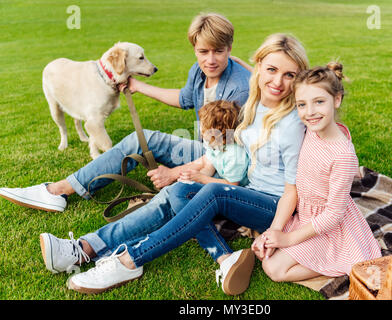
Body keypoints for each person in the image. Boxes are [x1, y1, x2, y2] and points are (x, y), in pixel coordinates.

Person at [62, 33, 309, 296]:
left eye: (290, 75)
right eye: (271, 69)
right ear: (259, 67)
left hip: (271, 204)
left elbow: (292, 191)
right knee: (181, 189)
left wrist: (277, 232)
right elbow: (257, 74)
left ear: (298, 79)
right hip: (246, 191)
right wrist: (240, 61)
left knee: (211, 191)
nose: (278, 82)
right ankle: (226, 259)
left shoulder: (292, 122)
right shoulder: (256, 100)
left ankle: (130, 260)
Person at [0, 12, 250, 213]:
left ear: (229, 47)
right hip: (209, 149)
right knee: (141, 139)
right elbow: (184, 99)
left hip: (229, 166)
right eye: (203, 51)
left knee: (171, 184)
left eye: (218, 51)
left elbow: (223, 156)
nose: (210, 60)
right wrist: (139, 86)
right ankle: (59, 190)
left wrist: (177, 174)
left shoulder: (238, 89)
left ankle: (62, 193)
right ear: (195, 49)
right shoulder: (199, 71)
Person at [253, 62, 381, 283]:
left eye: (319, 102)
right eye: (301, 105)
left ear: (337, 99)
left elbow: (333, 214)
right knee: (269, 251)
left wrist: (289, 239)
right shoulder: (310, 130)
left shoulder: (341, 154)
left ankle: (341, 262)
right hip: (304, 214)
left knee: (274, 269)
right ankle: (309, 253)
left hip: (329, 227)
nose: (310, 112)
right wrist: (275, 233)